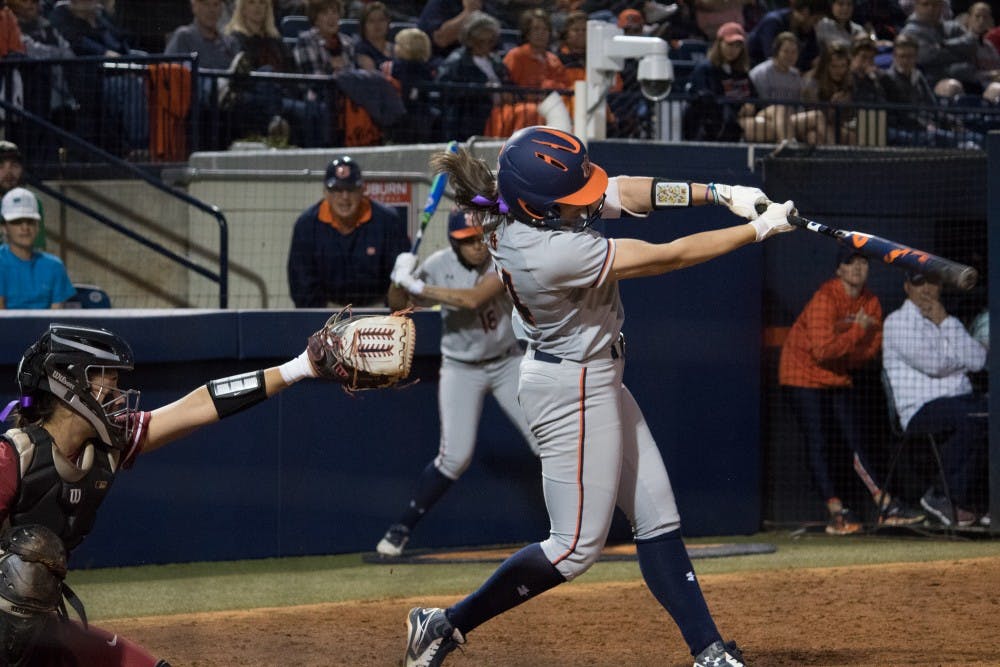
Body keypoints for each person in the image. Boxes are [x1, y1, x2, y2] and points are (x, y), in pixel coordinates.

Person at [403, 125, 796, 667]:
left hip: (596, 374)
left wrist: (718, 193)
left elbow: (626, 190)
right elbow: (669, 256)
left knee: (657, 516)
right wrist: (757, 231)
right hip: (570, 390)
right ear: (539, 207)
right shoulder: (547, 252)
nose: (586, 200)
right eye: (572, 198)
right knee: (573, 549)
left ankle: (708, 650)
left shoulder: (523, 197)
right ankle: (444, 624)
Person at [0, 307, 399, 663]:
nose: (117, 393)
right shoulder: (13, 457)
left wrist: (300, 368)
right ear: (67, 385)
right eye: (105, 379)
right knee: (25, 565)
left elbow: (200, 405)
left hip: (39, 629)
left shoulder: (106, 447)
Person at [375, 209, 536, 557]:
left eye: (480, 237)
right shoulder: (437, 263)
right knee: (455, 457)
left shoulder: (499, 254)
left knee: (546, 442)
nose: (477, 246)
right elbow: (397, 307)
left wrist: (419, 285)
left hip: (508, 360)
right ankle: (400, 529)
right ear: (454, 241)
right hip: (461, 367)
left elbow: (474, 298)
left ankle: (578, 525)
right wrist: (398, 278)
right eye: (468, 241)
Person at [779, 247, 924, 534]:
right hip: (801, 374)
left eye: (862, 263)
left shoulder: (871, 303)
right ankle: (837, 513)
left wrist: (846, 348)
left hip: (837, 375)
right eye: (850, 263)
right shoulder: (826, 298)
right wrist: (856, 331)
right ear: (839, 271)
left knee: (854, 438)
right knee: (818, 442)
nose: (857, 268)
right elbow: (822, 351)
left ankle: (885, 505)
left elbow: (869, 351)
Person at [883, 271, 988, 526]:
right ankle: (941, 496)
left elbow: (979, 360)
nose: (927, 289)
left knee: (990, 413)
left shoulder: (945, 320)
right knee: (969, 418)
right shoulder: (897, 322)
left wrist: (944, 322)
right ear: (907, 286)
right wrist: (959, 363)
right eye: (920, 283)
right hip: (920, 411)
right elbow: (934, 365)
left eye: (932, 282)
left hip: (958, 403)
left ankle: (982, 504)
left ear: (940, 286)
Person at [287, 156, 409, 308]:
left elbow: (400, 278)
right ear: (325, 192)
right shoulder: (306, 225)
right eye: (337, 189)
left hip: (378, 314)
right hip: (324, 315)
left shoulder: (388, 221)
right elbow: (301, 284)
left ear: (362, 189)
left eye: (350, 189)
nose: (344, 197)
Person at [435, 11, 513, 141]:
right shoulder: (456, 61)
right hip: (470, 119)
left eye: (490, 41)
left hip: (500, 115)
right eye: (480, 41)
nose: (485, 46)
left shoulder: (495, 60)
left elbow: (508, 81)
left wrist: (507, 92)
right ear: (470, 40)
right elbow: (445, 87)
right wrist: (481, 90)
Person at [684, 21, 761, 141]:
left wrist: (750, 105)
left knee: (773, 113)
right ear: (719, 43)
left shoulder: (741, 72)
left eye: (738, 46)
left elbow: (755, 96)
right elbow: (706, 99)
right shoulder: (705, 69)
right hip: (719, 126)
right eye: (730, 44)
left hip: (743, 120)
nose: (733, 50)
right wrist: (735, 108)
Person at [0, 187, 75, 310]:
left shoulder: (54, 266)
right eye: (17, 222)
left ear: (37, 227)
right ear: (4, 228)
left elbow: (56, 316)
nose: (25, 228)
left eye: (30, 221)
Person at [899, 0, 978, 92]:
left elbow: (972, 44)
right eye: (925, 4)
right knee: (951, 88)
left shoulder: (952, 27)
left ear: (941, 6)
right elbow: (926, 57)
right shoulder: (909, 32)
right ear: (916, 6)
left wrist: (944, 44)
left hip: (967, 79)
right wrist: (961, 54)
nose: (931, 8)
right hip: (931, 83)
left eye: (935, 4)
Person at [748, 31, 805, 142]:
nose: (790, 56)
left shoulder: (796, 76)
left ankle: (832, 156)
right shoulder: (760, 73)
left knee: (818, 118)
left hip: (789, 118)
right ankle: (789, 147)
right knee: (780, 108)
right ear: (776, 51)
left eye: (794, 52)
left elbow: (799, 105)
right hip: (764, 116)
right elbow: (759, 103)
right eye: (786, 51)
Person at [746, 0, 825, 70]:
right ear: (805, 12)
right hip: (759, 73)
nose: (816, 24)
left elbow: (813, 58)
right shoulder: (773, 22)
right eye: (815, 19)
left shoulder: (807, 29)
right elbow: (772, 58)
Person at [354, 0, 393, 71]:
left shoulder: (395, 48)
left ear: (388, 23)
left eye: (381, 20)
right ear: (364, 26)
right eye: (371, 21)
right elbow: (372, 77)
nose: (377, 24)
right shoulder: (361, 49)